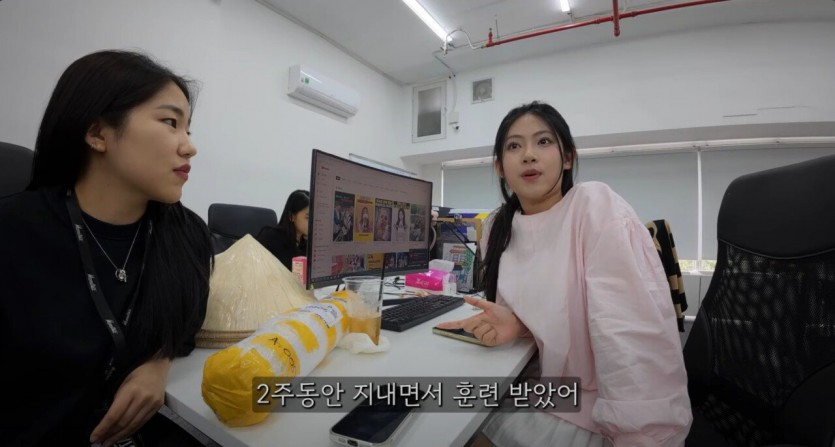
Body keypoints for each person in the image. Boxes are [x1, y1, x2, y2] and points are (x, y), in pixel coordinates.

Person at [438, 101, 692, 447]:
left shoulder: (594, 207)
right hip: (535, 387)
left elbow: (629, 341)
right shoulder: (498, 226)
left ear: (568, 157)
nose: (529, 155)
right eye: (514, 146)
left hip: (595, 408)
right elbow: (554, 317)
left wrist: (641, 437)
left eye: (543, 141)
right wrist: (521, 325)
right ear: (499, 167)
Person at [0, 50, 213, 446]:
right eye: (171, 123)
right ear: (97, 133)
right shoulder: (14, 233)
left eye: (188, 128)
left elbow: (188, 320)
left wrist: (158, 362)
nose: (189, 147)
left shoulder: (186, 234)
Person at [256, 189, 309, 270]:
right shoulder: (270, 238)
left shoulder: (307, 245)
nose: (313, 222)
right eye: (308, 218)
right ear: (291, 216)